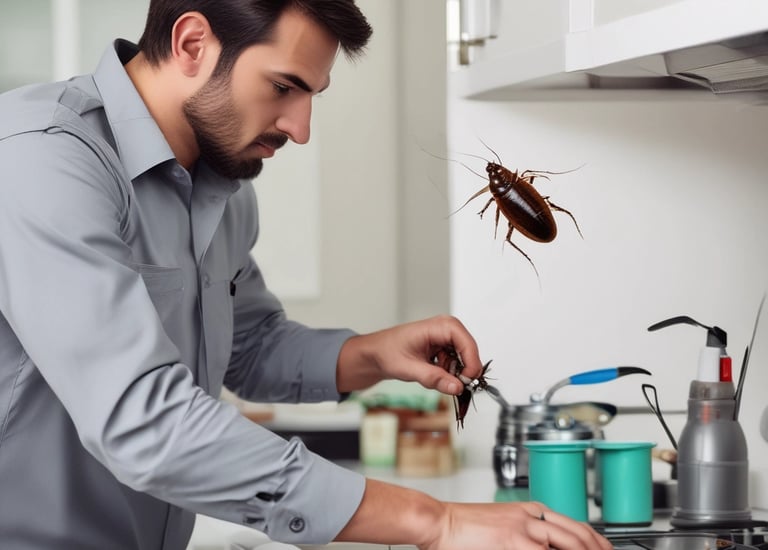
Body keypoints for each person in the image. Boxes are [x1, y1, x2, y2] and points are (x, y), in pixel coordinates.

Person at [0, 1, 613, 549]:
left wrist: (372, 355)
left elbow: (249, 347)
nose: (300, 128)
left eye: (311, 96)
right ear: (192, 44)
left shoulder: (223, 186)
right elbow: (146, 421)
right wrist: (435, 521)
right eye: (283, 87)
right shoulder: (41, 157)